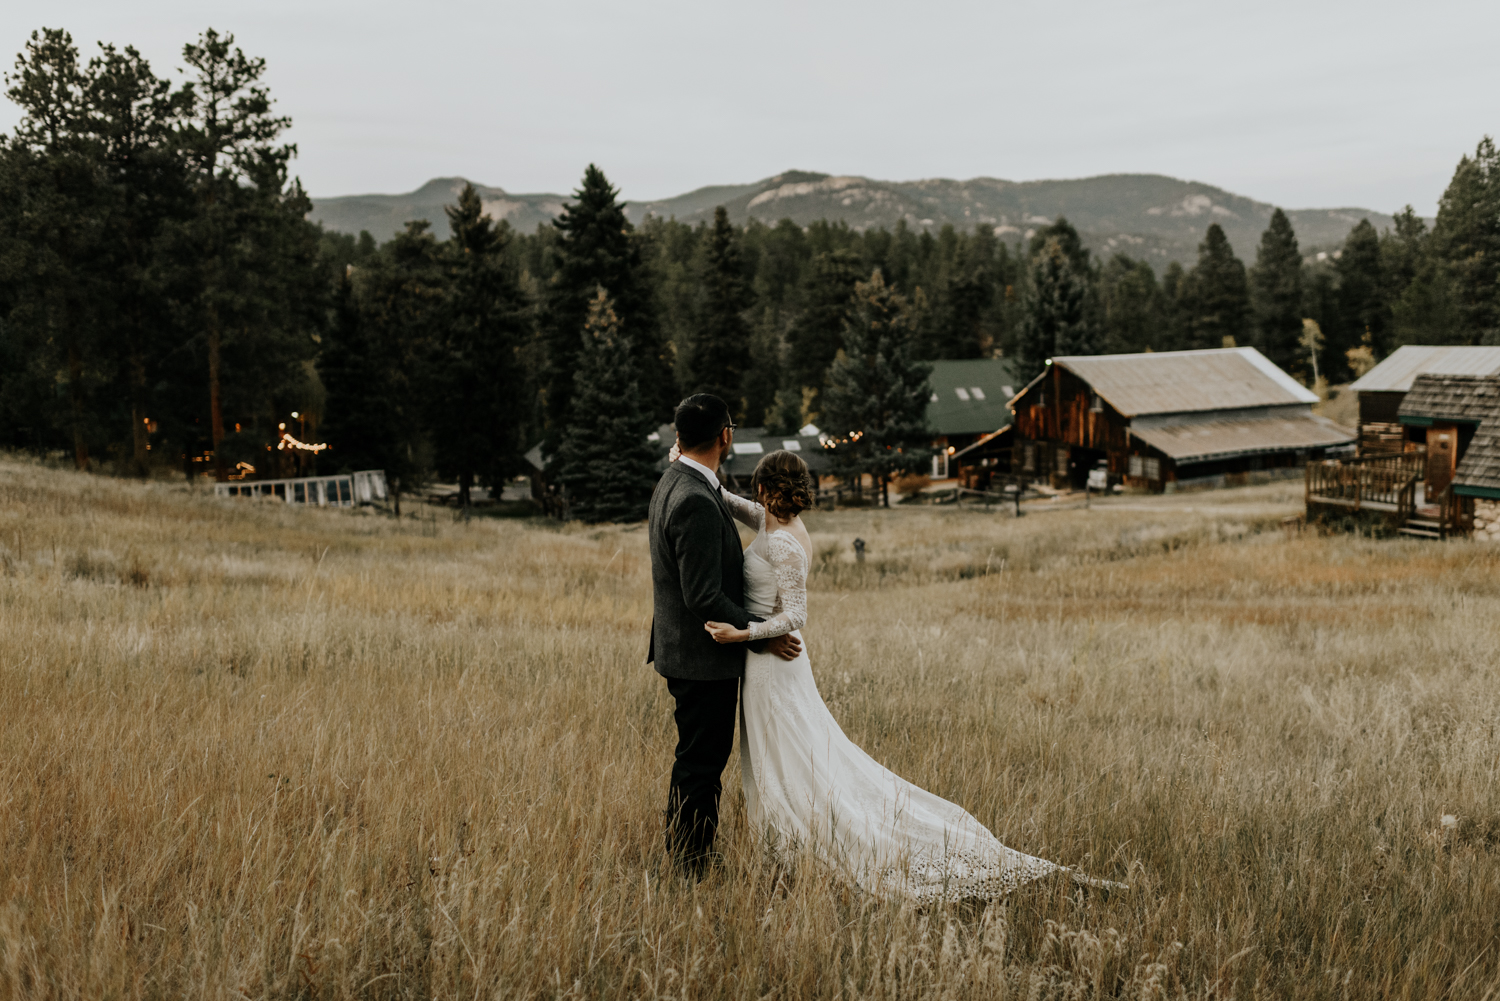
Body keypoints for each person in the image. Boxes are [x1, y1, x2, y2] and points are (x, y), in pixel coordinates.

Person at [701, 448, 1127, 902]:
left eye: (756, 488)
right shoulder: (771, 521)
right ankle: (784, 850)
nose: (751, 495)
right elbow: (732, 500)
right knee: (789, 755)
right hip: (771, 666)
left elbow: (797, 615)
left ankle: (793, 849)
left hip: (773, 666)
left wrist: (742, 633)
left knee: (788, 759)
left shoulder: (785, 543)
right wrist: (691, 464)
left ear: (766, 488)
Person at [647, 394, 802, 878]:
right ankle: (692, 861)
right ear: (726, 436)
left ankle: (685, 849)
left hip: (685, 650)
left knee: (696, 755)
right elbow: (702, 595)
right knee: (702, 761)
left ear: (679, 438)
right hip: (702, 655)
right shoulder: (694, 496)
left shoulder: (680, 479)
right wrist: (759, 635)